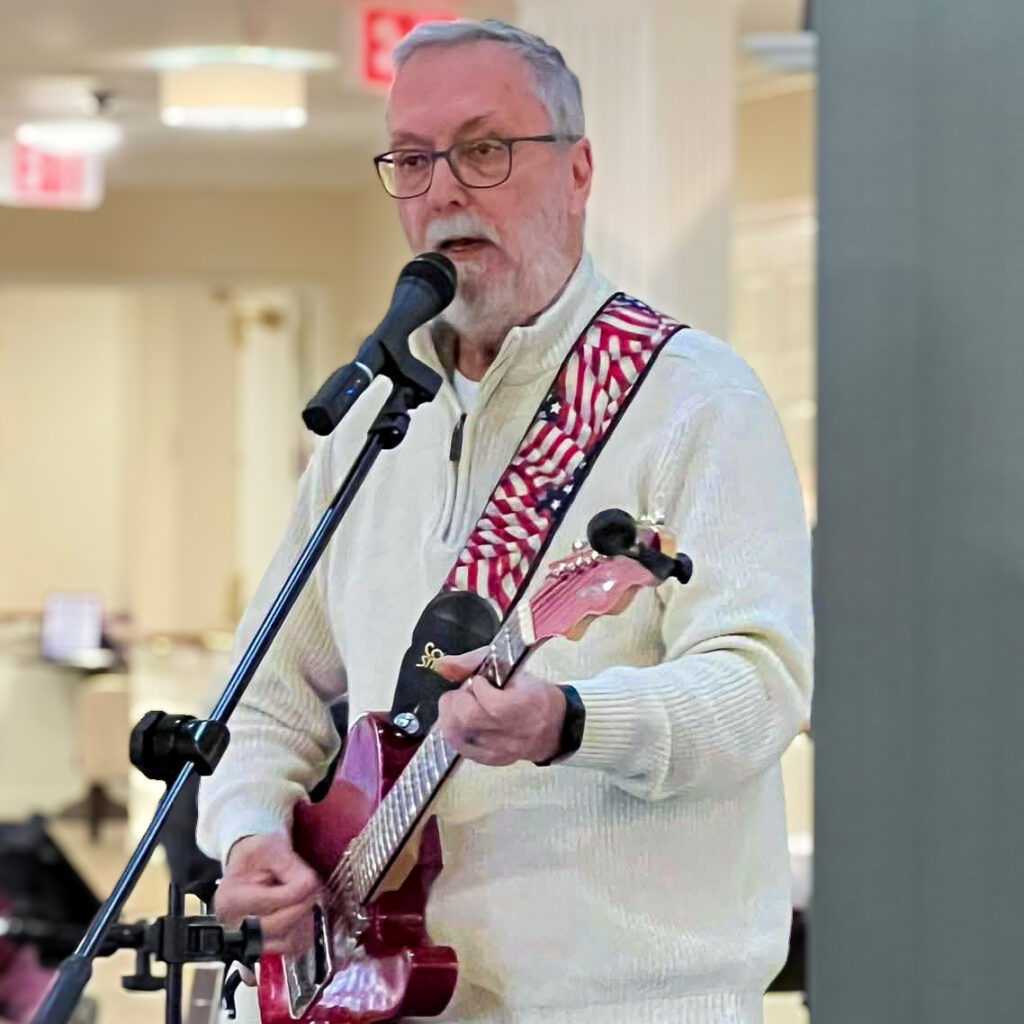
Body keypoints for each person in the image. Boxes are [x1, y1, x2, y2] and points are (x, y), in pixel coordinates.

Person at [197, 18, 812, 1024]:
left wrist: (572, 722)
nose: (443, 190)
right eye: (411, 159)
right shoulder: (368, 425)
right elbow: (264, 700)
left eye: (483, 150)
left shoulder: (696, 399)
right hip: (390, 998)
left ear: (577, 171)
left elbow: (760, 686)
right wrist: (252, 835)